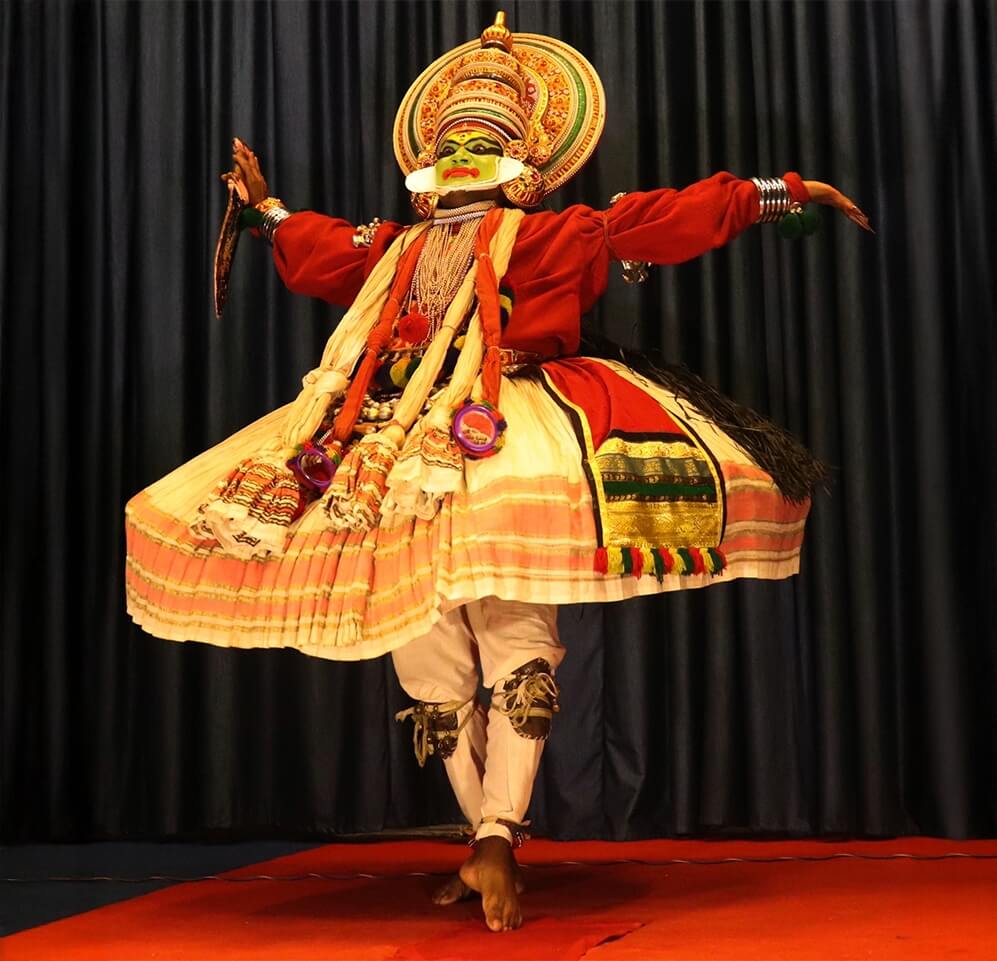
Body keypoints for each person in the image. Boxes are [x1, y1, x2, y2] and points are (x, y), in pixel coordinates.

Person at [124, 12, 870, 932]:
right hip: (394, 441)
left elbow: (657, 219)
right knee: (420, 636)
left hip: (502, 429)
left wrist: (774, 193)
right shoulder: (391, 249)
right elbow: (320, 251)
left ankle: (497, 835)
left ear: (519, 163)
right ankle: (484, 841)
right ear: (427, 163)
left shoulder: (557, 236)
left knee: (514, 637)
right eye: (450, 148)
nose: (461, 161)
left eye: (479, 147)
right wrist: (266, 211)